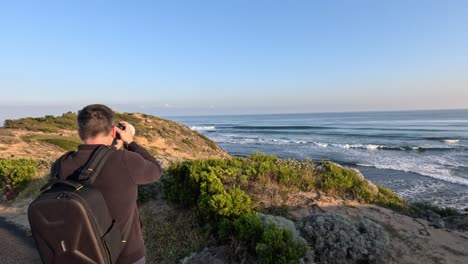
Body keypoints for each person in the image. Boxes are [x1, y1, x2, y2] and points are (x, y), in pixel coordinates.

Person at [55, 104, 161, 264]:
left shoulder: (61, 164)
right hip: (126, 255)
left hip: (83, 254)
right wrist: (130, 142)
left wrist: (113, 150)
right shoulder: (125, 160)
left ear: (79, 133)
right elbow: (155, 170)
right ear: (113, 131)